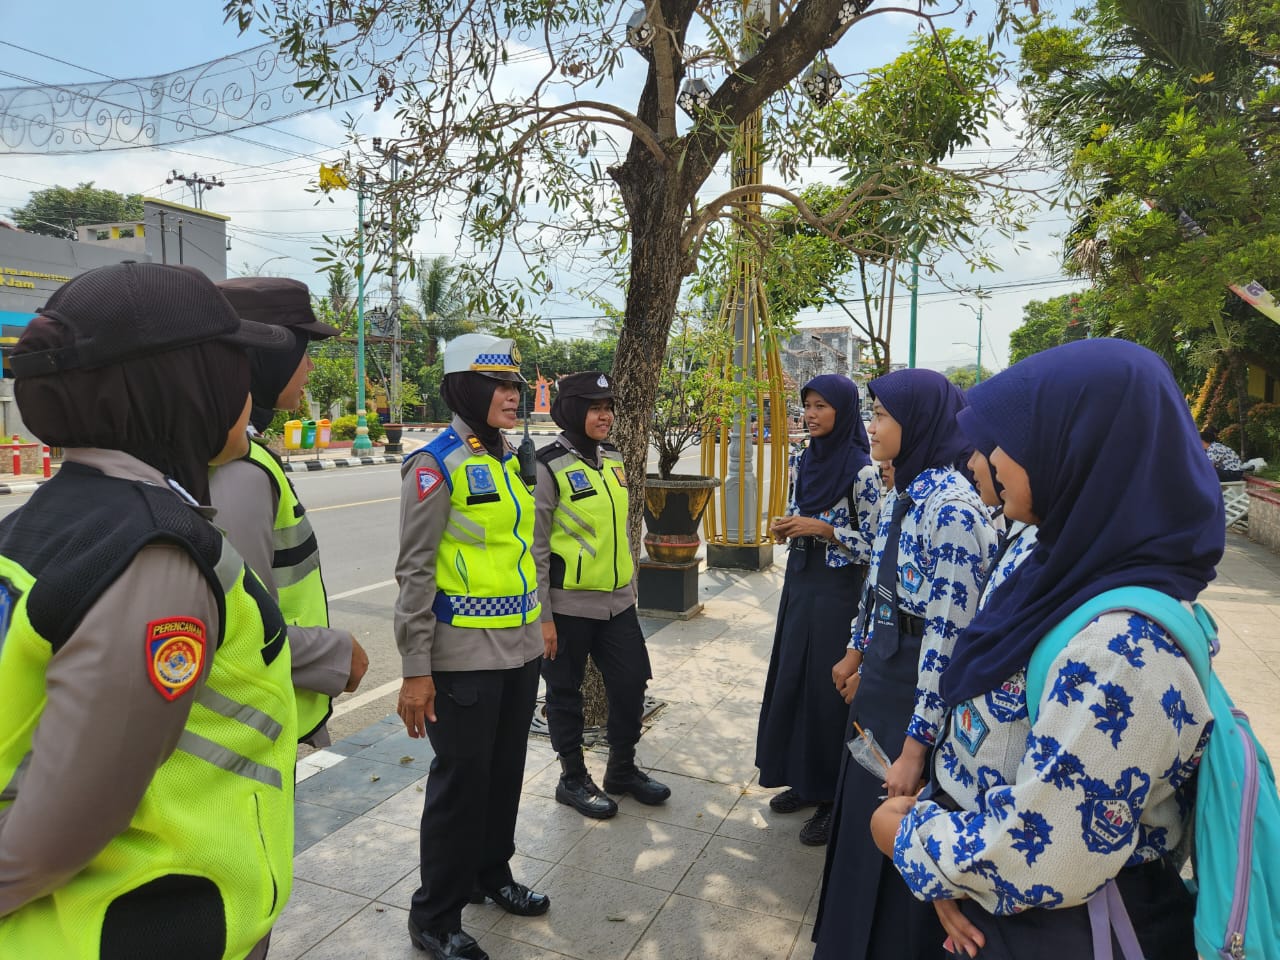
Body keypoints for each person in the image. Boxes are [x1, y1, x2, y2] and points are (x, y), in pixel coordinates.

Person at [0, 261, 303, 959]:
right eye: (230, 364)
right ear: (183, 383)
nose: (246, 389)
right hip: (140, 922)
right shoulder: (156, 554)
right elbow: (55, 837)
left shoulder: (57, 515)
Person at [879, 339, 1219, 959]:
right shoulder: (1050, 559)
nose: (985, 460)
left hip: (1058, 923)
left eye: (1009, 442)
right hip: (994, 900)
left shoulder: (1122, 648)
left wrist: (910, 839)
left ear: (1077, 449)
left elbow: (1048, 852)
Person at [814, 368, 998, 960]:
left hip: (920, 690)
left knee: (898, 832)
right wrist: (857, 648)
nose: (872, 426)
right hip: (888, 675)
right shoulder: (905, 489)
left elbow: (948, 636)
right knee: (861, 827)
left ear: (917, 423)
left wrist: (918, 745)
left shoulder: (954, 511)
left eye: (884, 416)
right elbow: (881, 585)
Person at [394, 333, 550, 960]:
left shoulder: (510, 458)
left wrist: (540, 629)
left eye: (516, 386)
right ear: (468, 388)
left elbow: (520, 552)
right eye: (502, 387)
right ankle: (434, 914)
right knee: (461, 784)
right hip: (461, 658)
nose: (514, 397)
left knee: (505, 771)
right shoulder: (436, 463)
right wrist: (413, 669)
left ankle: (493, 874)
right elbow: (415, 571)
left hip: (518, 650)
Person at [210, 276, 368, 746]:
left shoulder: (243, 452)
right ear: (267, 354)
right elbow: (235, 620)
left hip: (275, 713)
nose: (311, 367)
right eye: (303, 351)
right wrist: (334, 654)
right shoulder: (236, 469)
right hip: (255, 728)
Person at [532, 371, 670, 821]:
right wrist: (544, 617)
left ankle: (622, 770)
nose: (605, 415)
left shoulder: (612, 457)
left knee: (631, 684)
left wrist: (629, 587)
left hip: (617, 604)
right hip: (568, 605)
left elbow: (619, 529)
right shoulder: (547, 464)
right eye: (595, 407)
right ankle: (572, 778)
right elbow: (534, 546)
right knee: (564, 693)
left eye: (608, 406)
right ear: (572, 410)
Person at [757, 374, 880, 845]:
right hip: (802, 582)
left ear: (844, 411)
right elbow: (799, 511)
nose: (810, 414)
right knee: (795, 677)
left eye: (822, 406)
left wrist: (825, 530)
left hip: (838, 592)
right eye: (807, 405)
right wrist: (787, 527)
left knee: (828, 689)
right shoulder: (805, 458)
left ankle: (833, 796)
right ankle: (803, 781)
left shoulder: (863, 471)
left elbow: (874, 546)